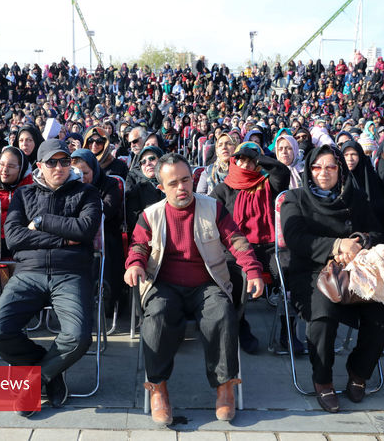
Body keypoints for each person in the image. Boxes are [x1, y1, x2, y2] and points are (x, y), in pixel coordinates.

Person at [124, 153, 264, 425]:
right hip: (164, 285)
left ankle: (224, 387)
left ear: (193, 179)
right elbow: (138, 245)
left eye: (186, 180)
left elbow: (236, 241)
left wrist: (253, 269)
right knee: (158, 317)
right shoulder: (150, 215)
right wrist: (134, 265)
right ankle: (158, 388)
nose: (182, 188)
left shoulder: (212, 208)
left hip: (206, 283)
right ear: (161, 187)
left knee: (221, 313)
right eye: (173, 182)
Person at [0, 139, 102, 416]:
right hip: (29, 273)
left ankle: (36, 381)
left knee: (79, 336)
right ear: (39, 165)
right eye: (52, 162)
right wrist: (63, 239)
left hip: (70, 273)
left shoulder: (87, 193)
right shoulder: (24, 195)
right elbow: (13, 238)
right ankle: (50, 367)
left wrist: (42, 221)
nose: (59, 167)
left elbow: (84, 230)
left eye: (64, 161)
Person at [281, 144, 384, 413]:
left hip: (355, 272)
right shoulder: (295, 199)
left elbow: (377, 234)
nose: (323, 172)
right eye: (317, 167)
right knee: (323, 314)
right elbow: (296, 239)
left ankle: (359, 371)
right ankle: (323, 379)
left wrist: (359, 240)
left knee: (383, 313)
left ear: (340, 170)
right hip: (310, 271)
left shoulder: (354, 198)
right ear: (308, 171)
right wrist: (337, 246)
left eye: (331, 166)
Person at [211, 141, 301, 354]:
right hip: (237, 247)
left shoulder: (269, 183)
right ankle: (241, 325)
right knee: (236, 276)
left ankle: (288, 330)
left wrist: (257, 156)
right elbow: (212, 219)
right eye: (241, 159)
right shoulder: (224, 189)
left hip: (269, 244)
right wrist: (244, 154)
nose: (245, 164)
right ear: (234, 161)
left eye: (250, 161)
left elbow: (281, 171)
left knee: (288, 271)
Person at [71, 148, 124, 315]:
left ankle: (103, 295)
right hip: (76, 230)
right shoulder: (69, 186)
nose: (82, 177)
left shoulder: (110, 184)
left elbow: (106, 211)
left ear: (94, 169)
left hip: (104, 231)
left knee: (103, 246)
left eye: (85, 172)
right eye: (77, 172)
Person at [341, 140, 384, 226]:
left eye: (354, 154)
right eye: (346, 155)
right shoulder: (339, 178)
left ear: (360, 156)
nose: (350, 159)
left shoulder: (370, 175)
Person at [125, 146, 165, 235]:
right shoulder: (137, 188)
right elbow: (134, 220)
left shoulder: (171, 181)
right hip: (147, 234)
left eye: (152, 158)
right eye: (143, 162)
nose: (148, 163)